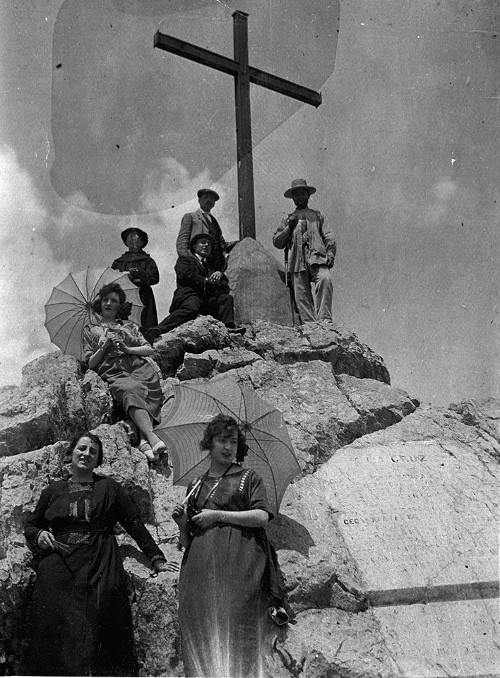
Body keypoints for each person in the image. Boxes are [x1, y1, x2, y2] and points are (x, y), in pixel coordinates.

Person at [24, 432, 177, 676]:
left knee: (101, 628)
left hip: (100, 564)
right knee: (54, 630)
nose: (86, 454)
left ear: (98, 461)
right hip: (58, 568)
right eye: (81, 449)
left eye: (92, 452)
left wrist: (157, 558)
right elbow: (31, 525)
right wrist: (40, 534)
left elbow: (134, 524)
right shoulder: (52, 491)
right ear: (71, 454)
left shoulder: (110, 488)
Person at [172, 414, 293, 678]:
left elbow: (261, 517)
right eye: (222, 440)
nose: (228, 447)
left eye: (234, 442)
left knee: (237, 621)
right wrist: (183, 523)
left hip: (241, 558)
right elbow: (186, 541)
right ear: (210, 444)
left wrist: (217, 516)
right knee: (200, 625)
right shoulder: (196, 485)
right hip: (201, 565)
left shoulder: (249, 477)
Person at [83, 281, 167, 461]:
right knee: (129, 390)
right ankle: (152, 437)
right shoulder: (91, 330)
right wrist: (103, 347)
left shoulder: (128, 327)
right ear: (100, 303)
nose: (108, 303)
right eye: (105, 299)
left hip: (138, 366)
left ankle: (144, 442)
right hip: (113, 370)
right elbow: (90, 363)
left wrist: (128, 349)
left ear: (119, 305)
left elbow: (148, 349)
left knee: (144, 389)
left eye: (113, 300)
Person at [144, 233, 244, 344]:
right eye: (203, 243)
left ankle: (229, 326)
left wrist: (220, 275)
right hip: (189, 295)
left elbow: (225, 285)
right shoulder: (185, 260)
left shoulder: (211, 267)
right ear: (194, 247)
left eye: (209, 244)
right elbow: (185, 274)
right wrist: (205, 281)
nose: (206, 246)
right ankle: (158, 329)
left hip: (206, 301)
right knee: (192, 307)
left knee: (226, 298)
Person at [273, 178, 336, 323]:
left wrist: (330, 253)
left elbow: (328, 236)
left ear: (308, 195)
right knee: (302, 296)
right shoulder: (287, 218)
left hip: (317, 258)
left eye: (302, 193)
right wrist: (289, 227)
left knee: (325, 280)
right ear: (293, 198)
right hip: (297, 262)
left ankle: (325, 320)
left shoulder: (318, 216)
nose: (300, 197)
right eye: (296, 194)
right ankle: (310, 326)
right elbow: (277, 242)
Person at [111, 226, 159, 331]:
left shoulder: (147, 261)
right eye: (130, 237)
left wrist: (139, 275)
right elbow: (111, 280)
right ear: (126, 242)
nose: (132, 239)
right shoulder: (118, 262)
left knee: (144, 324)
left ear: (142, 241)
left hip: (143, 296)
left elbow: (154, 278)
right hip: (124, 296)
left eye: (135, 236)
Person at [176, 188, 227, 273]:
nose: (209, 200)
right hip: (197, 264)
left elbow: (221, 242)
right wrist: (187, 262)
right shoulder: (191, 217)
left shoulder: (214, 222)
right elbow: (182, 241)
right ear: (199, 200)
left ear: (214, 204)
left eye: (212, 199)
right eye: (206, 197)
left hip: (215, 266)